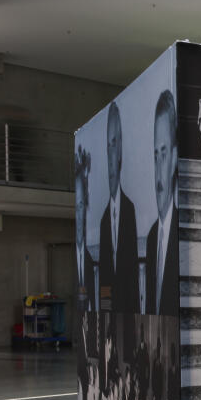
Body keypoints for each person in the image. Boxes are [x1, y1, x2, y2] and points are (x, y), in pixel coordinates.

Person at [98, 102, 139, 313]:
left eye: (115, 143)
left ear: (121, 149)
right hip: (110, 314)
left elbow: (132, 276)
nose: (111, 152)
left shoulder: (130, 210)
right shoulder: (105, 219)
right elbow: (105, 278)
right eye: (108, 145)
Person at [144, 89, 179, 317]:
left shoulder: (180, 232)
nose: (158, 172)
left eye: (164, 155)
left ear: (175, 158)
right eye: (155, 155)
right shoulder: (151, 238)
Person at [74, 146, 95, 311]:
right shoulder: (79, 257)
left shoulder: (92, 257)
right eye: (76, 206)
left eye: (81, 205)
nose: (79, 215)